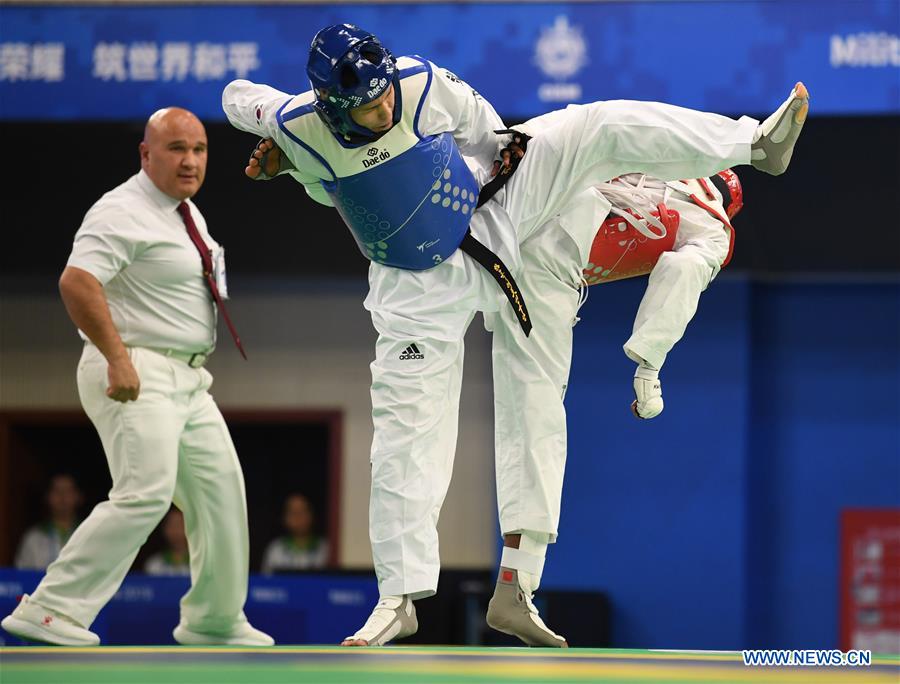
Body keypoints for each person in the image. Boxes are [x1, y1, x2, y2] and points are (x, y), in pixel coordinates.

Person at [222, 23, 808, 647]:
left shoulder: (418, 83)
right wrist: (282, 151)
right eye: (368, 104)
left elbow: (489, 134)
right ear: (333, 107)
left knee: (595, 130)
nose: (385, 105)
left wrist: (646, 364)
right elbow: (240, 97)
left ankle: (752, 142)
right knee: (406, 431)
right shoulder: (298, 126)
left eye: (385, 91)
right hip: (418, 283)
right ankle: (398, 597)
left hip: (505, 221)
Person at [1, 107, 273, 647]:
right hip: (136, 367)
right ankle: (50, 609)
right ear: (146, 154)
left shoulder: (185, 213)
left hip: (189, 378)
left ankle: (213, 620)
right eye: (176, 148)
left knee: (221, 492)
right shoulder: (122, 210)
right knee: (144, 493)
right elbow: (77, 282)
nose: (191, 160)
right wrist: (118, 357)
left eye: (199, 149)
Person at [15, 474, 84, 571]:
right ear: (47, 496)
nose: (62, 497)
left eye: (68, 491)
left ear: (78, 496)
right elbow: (22, 575)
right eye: (57, 491)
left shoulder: (88, 533)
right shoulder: (33, 537)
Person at [261, 494, 329, 573]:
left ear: (311, 515)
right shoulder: (275, 549)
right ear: (285, 518)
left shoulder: (325, 548)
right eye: (293, 512)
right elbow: (266, 581)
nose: (298, 517)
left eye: (303, 511)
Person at [144, 508, 191, 576]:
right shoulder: (154, 564)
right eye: (171, 525)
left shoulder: (201, 563)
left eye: (180, 525)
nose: (175, 531)